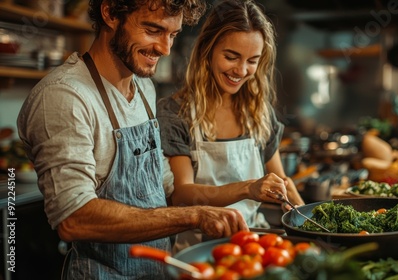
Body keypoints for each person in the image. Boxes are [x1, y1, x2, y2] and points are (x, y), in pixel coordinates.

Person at [16, 0, 255, 278]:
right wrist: (194, 216)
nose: (165, 49)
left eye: (173, 35)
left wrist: (243, 191)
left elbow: (167, 188)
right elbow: (75, 218)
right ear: (110, 13)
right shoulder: (65, 96)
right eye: (153, 30)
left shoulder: (143, 87)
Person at [157, 0, 305, 252]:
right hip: (198, 249)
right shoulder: (176, 112)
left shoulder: (258, 111)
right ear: (208, 49)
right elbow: (181, 193)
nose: (241, 70)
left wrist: (308, 220)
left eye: (252, 60)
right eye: (231, 56)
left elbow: (280, 180)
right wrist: (248, 188)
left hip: (254, 241)